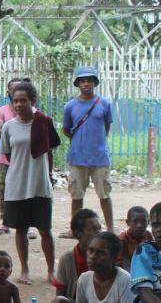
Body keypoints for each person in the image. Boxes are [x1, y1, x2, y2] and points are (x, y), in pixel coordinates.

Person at [0, 82, 60, 285]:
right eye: (15, 101)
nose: (18, 104)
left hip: (39, 184)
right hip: (16, 185)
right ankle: (25, 269)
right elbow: (8, 154)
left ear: (32, 101)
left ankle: (51, 269)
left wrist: (48, 176)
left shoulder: (44, 121)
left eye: (23, 100)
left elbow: (50, 151)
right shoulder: (9, 127)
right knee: (20, 229)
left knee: (45, 229)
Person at [62, 66, 116, 237]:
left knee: (104, 195)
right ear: (78, 84)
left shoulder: (104, 104)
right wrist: (80, 142)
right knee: (76, 196)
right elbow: (66, 129)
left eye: (89, 80)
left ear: (94, 83)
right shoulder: (70, 106)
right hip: (78, 158)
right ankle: (74, 229)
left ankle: (110, 228)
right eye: (83, 81)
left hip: (100, 157)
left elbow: (106, 127)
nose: (86, 84)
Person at [0, 77, 31, 237]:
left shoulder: (34, 113)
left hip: (26, 158)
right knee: (3, 189)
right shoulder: (1, 111)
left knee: (28, 188)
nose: (15, 91)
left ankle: (29, 223)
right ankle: (5, 222)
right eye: (12, 89)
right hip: (5, 159)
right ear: (8, 92)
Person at [73, 232, 135, 303]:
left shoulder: (125, 281)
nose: (92, 256)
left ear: (115, 257)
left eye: (100, 253)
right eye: (90, 250)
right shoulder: (84, 279)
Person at [57, 209, 104, 300]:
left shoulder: (108, 256)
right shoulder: (67, 259)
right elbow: (60, 296)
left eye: (99, 228)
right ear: (78, 233)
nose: (99, 233)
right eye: (93, 229)